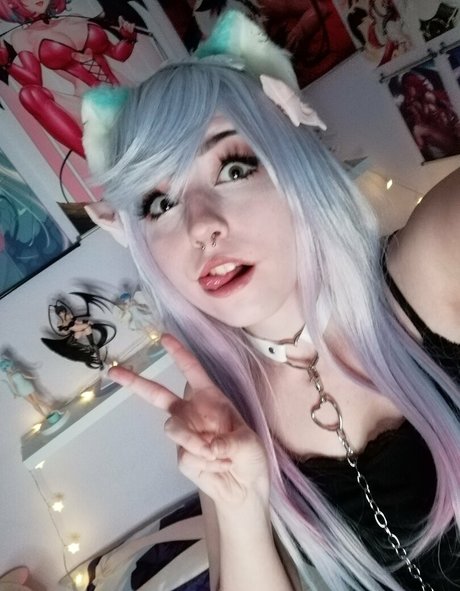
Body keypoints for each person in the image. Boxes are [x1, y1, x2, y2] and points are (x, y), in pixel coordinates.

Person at [81, 11, 460, 591]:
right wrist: (239, 504)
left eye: (233, 167)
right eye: (160, 204)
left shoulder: (434, 260)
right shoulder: (216, 401)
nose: (200, 225)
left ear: (295, 168)